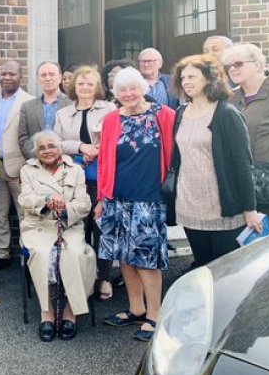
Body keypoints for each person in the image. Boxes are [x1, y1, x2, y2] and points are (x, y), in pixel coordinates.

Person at [96, 67, 174, 343]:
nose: (128, 94)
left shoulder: (164, 115)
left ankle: (154, 314)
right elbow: (104, 160)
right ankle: (136, 308)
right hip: (117, 197)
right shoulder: (111, 119)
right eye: (122, 89)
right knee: (124, 256)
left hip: (149, 198)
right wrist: (101, 198)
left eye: (133, 88)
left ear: (144, 88)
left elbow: (175, 154)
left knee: (147, 260)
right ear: (115, 93)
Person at [170, 54, 261, 268]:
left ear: (210, 79)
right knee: (202, 267)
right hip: (189, 205)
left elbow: (243, 165)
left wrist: (250, 209)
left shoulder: (226, 113)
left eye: (192, 77)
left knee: (225, 272)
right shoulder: (180, 113)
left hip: (222, 209)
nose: (186, 82)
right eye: (183, 78)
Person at [19, 131, 95, 342]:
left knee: (77, 255)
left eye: (51, 146)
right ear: (36, 152)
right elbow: (25, 198)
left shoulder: (75, 169)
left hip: (69, 226)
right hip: (39, 226)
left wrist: (65, 209)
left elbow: (84, 202)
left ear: (60, 148)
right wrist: (46, 199)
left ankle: (71, 310)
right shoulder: (27, 169)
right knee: (41, 255)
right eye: (41, 148)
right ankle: (47, 312)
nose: (47, 151)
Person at [53, 66, 116, 300]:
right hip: (74, 180)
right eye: (81, 83)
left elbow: (115, 137)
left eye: (90, 83)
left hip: (102, 179)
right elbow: (57, 144)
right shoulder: (63, 114)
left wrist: (96, 150)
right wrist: (81, 147)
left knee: (102, 229)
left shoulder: (109, 109)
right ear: (73, 87)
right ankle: (82, 278)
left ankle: (104, 277)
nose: (85, 87)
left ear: (97, 86)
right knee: (79, 229)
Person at [0, 60, 35, 272]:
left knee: (25, 213)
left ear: (20, 77)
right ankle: (1, 254)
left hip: (19, 166)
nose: (7, 77)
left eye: (12, 74)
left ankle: (28, 254)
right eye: (3, 73)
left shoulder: (29, 102)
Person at [226, 43, 269, 226]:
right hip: (239, 187)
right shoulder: (228, 98)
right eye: (229, 66)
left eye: (238, 63)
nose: (232, 69)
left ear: (257, 64)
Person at [18, 61, 72, 160]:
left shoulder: (72, 104)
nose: (47, 78)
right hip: (36, 162)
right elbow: (23, 138)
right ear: (38, 79)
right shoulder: (27, 107)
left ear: (60, 77)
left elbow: (75, 135)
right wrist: (38, 158)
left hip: (65, 161)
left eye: (51, 74)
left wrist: (62, 159)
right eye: (43, 75)